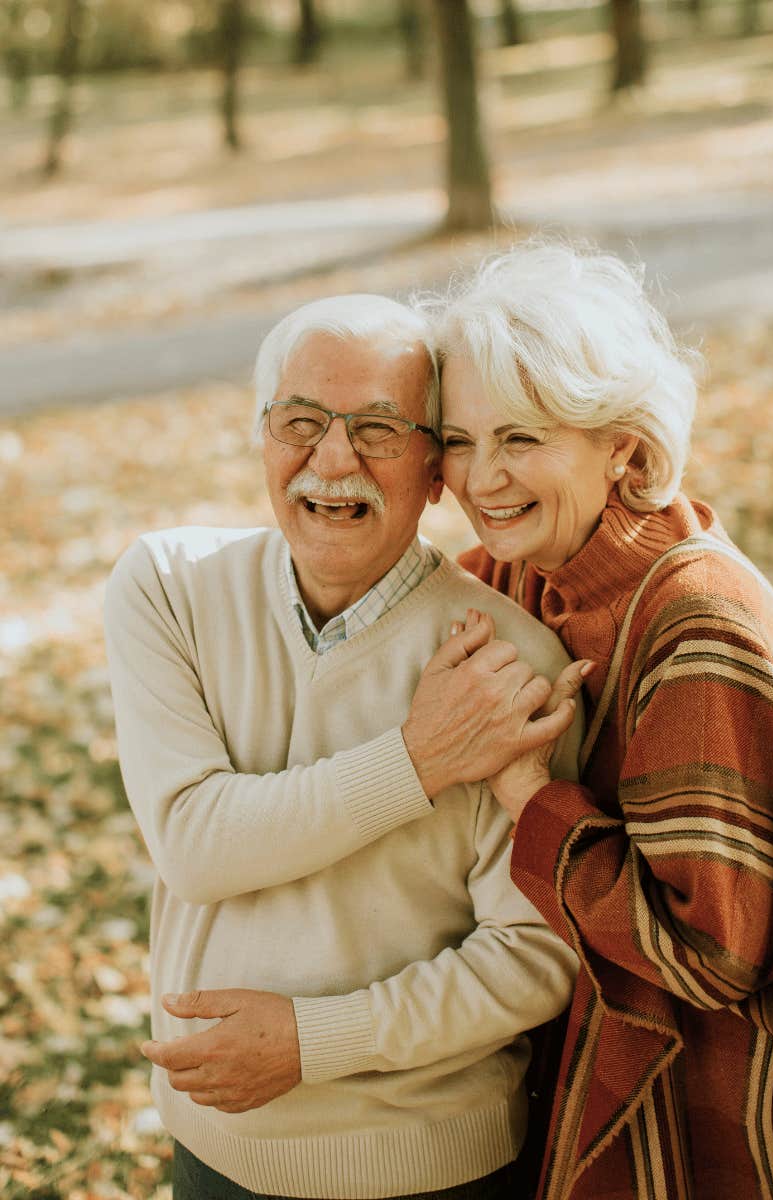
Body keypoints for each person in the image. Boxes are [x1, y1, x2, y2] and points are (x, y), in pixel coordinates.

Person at [104, 292, 587, 1200]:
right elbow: (195, 847)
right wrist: (416, 761)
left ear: (435, 469)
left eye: (377, 428)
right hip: (215, 1145)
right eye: (302, 421)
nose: (333, 460)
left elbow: (535, 958)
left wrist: (313, 1042)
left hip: (432, 1165)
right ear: (262, 437)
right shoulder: (169, 589)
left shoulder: (506, 664)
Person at [429, 240, 773, 1200]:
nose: (482, 478)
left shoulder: (696, 624)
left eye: (521, 438)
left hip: (728, 1091)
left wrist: (526, 792)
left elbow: (716, 957)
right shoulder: (526, 571)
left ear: (623, 444)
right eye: (459, 440)